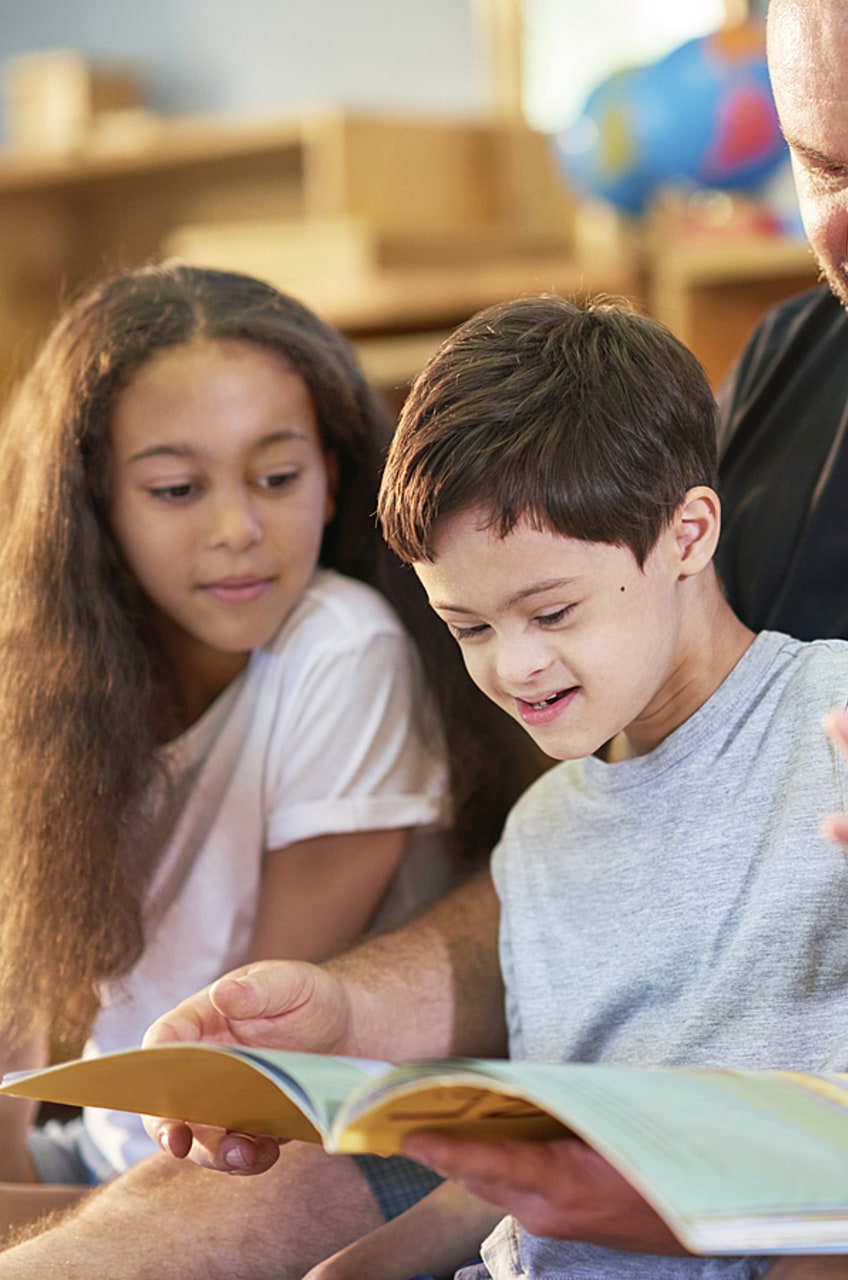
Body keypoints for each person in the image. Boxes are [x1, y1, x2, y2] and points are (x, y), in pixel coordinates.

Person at [3, 0, 848, 1274]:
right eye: (821, 167)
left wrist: (711, 1164)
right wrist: (347, 1013)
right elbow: (622, 860)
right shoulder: (801, 354)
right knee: (195, 1219)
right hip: (699, 1084)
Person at [158, 291, 848, 1280]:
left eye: (551, 611)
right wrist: (356, 1267)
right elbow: (547, 1157)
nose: (515, 665)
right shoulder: (543, 833)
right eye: (469, 626)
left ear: (688, 535)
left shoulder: (842, 710)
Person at [0, 262, 533, 1241]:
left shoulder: (341, 647)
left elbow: (236, 1088)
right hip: (115, 1157)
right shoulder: (48, 691)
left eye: (277, 478)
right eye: (175, 489)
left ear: (332, 476)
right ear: (94, 504)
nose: (237, 530)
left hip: (297, 1156)